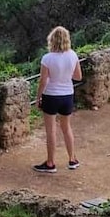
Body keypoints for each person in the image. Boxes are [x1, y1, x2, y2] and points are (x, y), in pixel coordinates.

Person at [32, 27, 83, 173]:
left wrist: (38, 97)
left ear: (51, 40)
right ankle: (72, 159)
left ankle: (50, 163)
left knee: (51, 131)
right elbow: (78, 76)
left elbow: (43, 81)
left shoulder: (47, 58)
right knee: (66, 128)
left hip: (51, 96)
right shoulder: (73, 55)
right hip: (67, 95)